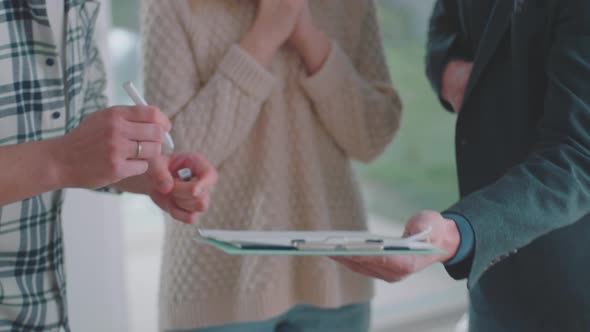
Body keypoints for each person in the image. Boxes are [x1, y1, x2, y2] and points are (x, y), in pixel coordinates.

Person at [142, 0, 402, 331]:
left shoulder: (351, 6)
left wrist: (310, 38)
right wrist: (266, 35)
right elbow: (177, 158)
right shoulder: (173, 6)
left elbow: (373, 137)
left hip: (336, 281)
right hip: (217, 289)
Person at [333, 0, 590, 331]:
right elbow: (445, 20)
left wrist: (458, 232)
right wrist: (445, 68)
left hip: (572, 283)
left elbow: (578, 155)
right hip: (493, 281)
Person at [0, 1, 217, 330]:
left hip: (41, 313)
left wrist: (145, 170)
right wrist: (61, 159)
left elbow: (75, 126)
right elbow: (65, 152)